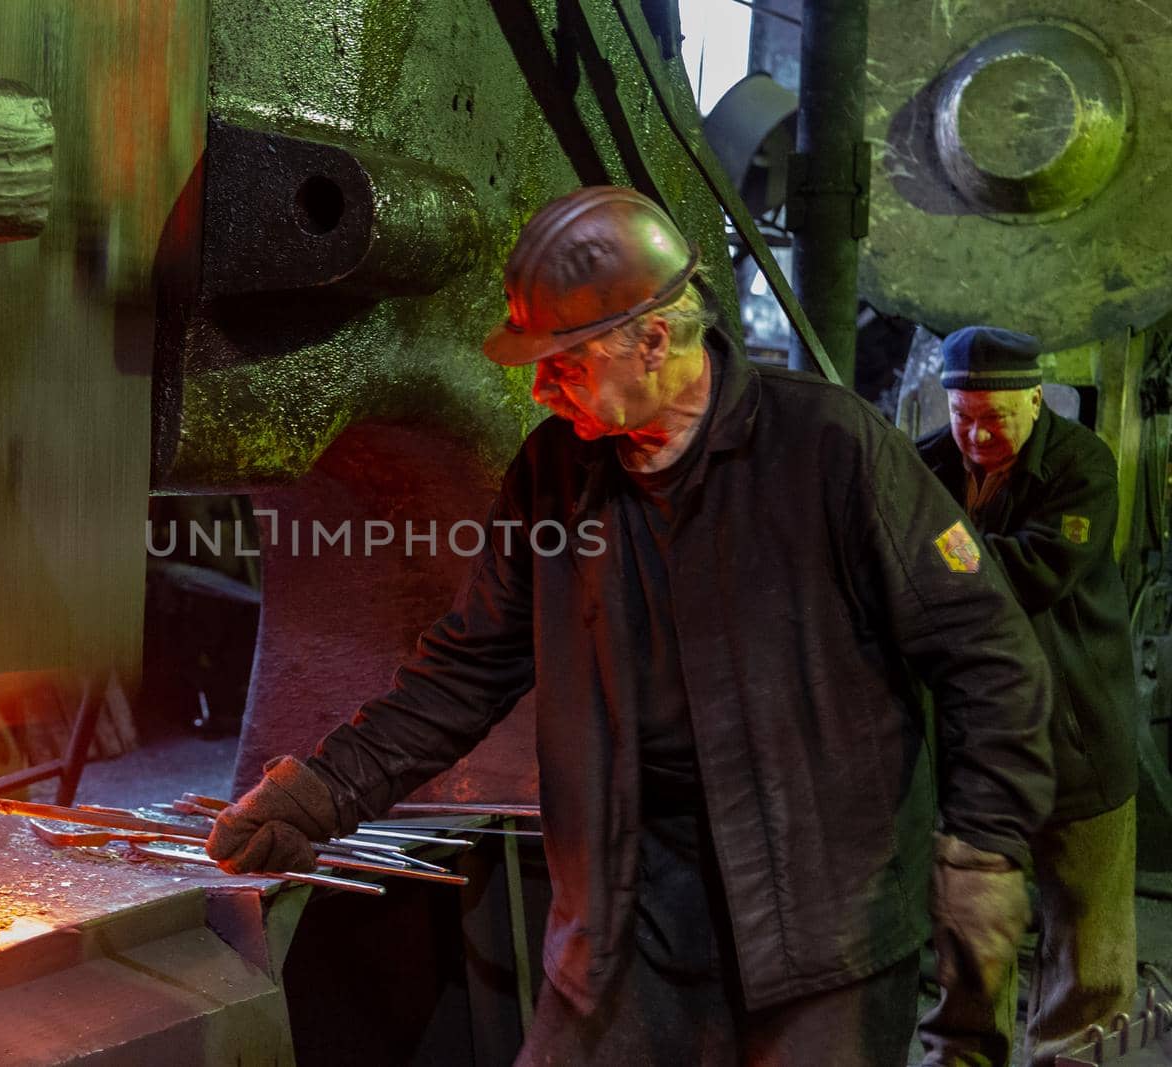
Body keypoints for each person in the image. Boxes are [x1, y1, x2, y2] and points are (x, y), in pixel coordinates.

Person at [207, 186, 1055, 1064]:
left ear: (654, 341)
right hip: (624, 919)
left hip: (816, 932)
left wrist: (983, 847)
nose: (536, 386)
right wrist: (320, 791)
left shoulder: (830, 451)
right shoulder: (555, 472)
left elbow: (989, 658)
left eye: (564, 362)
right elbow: (467, 669)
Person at [917, 327, 1139, 1066]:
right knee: (972, 943)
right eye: (963, 414)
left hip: (1077, 736)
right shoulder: (924, 467)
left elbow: (1037, 573)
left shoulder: (1081, 465)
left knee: (1088, 954)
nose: (977, 433)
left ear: (1036, 399)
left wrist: (937, 557)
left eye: (996, 416)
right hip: (979, 749)